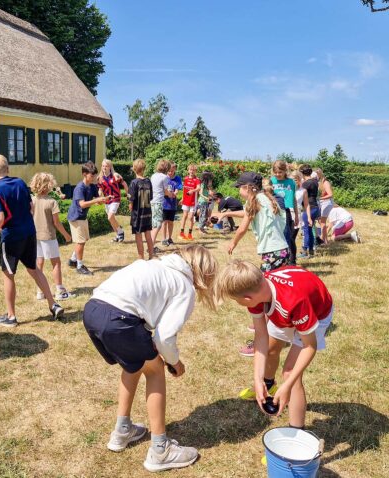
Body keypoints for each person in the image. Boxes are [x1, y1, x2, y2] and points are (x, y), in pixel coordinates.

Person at [83, 245, 218, 472]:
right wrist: (175, 363)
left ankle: (122, 430)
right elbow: (164, 337)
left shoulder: (153, 265)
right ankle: (160, 450)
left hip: (93, 310)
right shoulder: (184, 285)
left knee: (133, 365)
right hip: (120, 319)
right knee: (155, 370)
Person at [217, 260, 333, 430]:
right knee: (271, 349)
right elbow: (261, 336)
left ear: (247, 298)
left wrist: (287, 386)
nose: (238, 304)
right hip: (287, 310)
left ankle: (296, 434)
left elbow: (310, 347)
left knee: (290, 374)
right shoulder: (258, 291)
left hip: (315, 312)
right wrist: (257, 379)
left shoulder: (294, 301)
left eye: (237, 301)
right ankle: (268, 385)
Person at [0, 154, 64, 327]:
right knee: (34, 268)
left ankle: (11, 317)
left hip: (11, 236)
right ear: (8, 169)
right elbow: (31, 206)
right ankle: (53, 304)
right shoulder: (20, 182)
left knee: (8, 274)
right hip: (29, 232)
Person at [212, 172, 289, 273]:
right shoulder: (265, 197)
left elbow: (242, 229)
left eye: (239, 187)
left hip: (272, 251)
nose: (238, 190)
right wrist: (225, 214)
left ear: (247, 188)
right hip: (282, 249)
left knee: (264, 283)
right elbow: (246, 212)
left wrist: (233, 243)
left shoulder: (253, 201)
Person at [29, 172, 75, 301]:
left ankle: (40, 291)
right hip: (48, 236)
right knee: (56, 263)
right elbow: (56, 222)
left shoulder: (32, 200)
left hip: (35, 236)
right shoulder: (52, 202)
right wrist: (66, 235)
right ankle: (60, 291)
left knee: (39, 263)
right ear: (48, 185)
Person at [67, 161, 109, 275]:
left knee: (83, 240)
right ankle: (79, 266)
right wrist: (97, 200)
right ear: (85, 174)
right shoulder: (79, 188)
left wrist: (103, 199)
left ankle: (72, 260)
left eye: (95, 175)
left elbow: (97, 200)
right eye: (92, 175)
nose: (94, 177)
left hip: (82, 217)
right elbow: (82, 204)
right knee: (80, 242)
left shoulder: (92, 186)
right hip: (76, 217)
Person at [271, 160, 299, 265]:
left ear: (285, 171)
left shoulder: (291, 182)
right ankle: (279, 260)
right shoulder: (271, 181)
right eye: (276, 172)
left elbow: (294, 199)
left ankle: (291, 261)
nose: (278, 174)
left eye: (280, 172)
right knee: (278, 236)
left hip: (287, 211)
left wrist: (296, 215)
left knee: (289, 236)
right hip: (276, 212)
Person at [128, 159, 155, 260]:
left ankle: (141, 258)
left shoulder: (134, 183)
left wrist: (130, 206)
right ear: (144, 169)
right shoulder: (148, 181)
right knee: (148, 234)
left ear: (134, 169)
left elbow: (131, 200)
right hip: (147, 212)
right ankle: (151, 255)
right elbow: (151, 197)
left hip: (138, 213)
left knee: (138, 236)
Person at [98, 159, 128, 243]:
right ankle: (118, 235)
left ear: (110, 167)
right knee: (111, 219)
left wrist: (128, 194)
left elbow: (124, 184)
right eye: (103, 166)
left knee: (110, 216)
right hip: (107, 201)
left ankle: (120, 231)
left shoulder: (115, 176)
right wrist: (99, 194)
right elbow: (100, 189)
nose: (104, 167)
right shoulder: (100, 178)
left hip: (115, 199)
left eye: (106, 166)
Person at [298, 165, 320, 258]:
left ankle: (305, 251)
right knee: (310, 230)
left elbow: (300, 195)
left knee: (306, 230)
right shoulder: (315, 181)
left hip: (309, 208)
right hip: (315, 207)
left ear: (302, 173)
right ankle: (311, 250)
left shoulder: (306, 184)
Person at [290, 171, 313, 257]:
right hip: (287, 215)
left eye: (295, 180)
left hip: (297, 215)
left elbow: (306, 205)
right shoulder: (288, 190)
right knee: (287, 238)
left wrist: (309, 217)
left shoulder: (303, 191)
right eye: (291, 180)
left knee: (292, 237)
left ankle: (291, 258)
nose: (294, 182)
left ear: (299, 180)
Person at [150, 159, 171, 250]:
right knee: (158, 225)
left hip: (152, 202)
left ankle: (151, 245)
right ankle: (151, 247)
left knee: (154, 224)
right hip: (158, 202)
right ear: (167, 168)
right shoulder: (165, 177)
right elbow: (166, 191)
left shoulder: (153, 175)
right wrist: (171, 194)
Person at [162, 163, 183, 246]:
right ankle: (164, 239)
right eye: (169, 171)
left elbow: (178, 188)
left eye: (172, 171)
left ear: (175, 170)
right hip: (164, 203)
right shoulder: (164, 178)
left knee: (171, 222)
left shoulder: (177, 178)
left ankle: (169, 238)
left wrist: (176, 192)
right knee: (164, 222)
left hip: (172, 204)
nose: (170, 173)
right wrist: (167, 194)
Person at [178, 163, 200, 240]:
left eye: (193, 170)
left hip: (193, 202)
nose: (192, 171)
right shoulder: (186, 179)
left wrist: (193, 191)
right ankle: (181, 233)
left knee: (190, 217)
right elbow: (184, 190)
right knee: (184, 216)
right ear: (188, 170)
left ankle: (190, 234)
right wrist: (182, 198)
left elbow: (198, 188)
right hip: (186, 201)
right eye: (190, 170)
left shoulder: (197, 180)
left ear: (195, 171)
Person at [314, 168, 334, 245]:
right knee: (321, 222)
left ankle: (324, 241)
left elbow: (330, 194)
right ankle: (325, 240)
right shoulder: (318, 182)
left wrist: (319, 198)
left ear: (319, 174)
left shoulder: (325, 182)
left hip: (326, 203)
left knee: (322, 222)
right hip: (322, 202)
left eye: (316, 175)